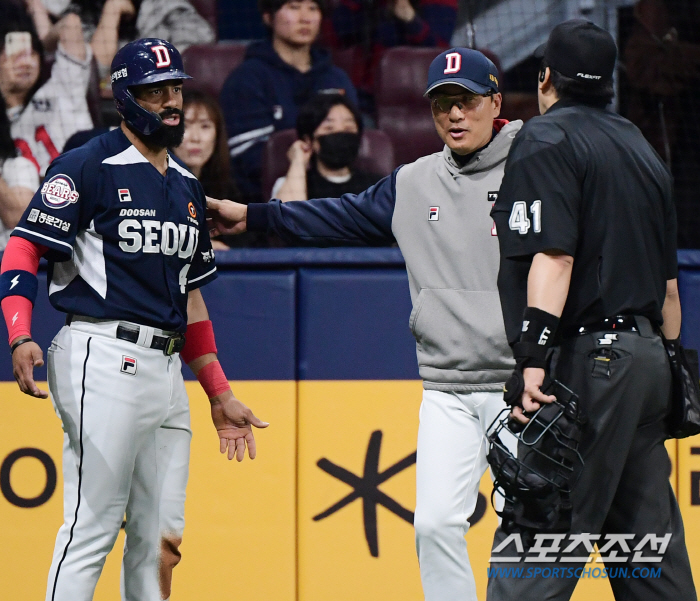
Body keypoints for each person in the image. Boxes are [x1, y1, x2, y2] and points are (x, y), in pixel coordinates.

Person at [208, 47, 521, 601]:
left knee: (530, 532)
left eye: (467, 102)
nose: (454, 115)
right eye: (442, 104)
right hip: (448, 388)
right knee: (434, 526)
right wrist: (254, 214)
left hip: (520, 388)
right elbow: (340, 214)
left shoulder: (535, 167)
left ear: (495, 103)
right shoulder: (414, 181)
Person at [0, 38, 267, 601]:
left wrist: (218, 392)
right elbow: (22, 248)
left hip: (168, 372)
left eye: (176, 89)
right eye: (155, 91)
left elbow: (191, 300)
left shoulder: (190, 187)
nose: (172, 102)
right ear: (125, 97)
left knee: (160, 537)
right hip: (100, 352)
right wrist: (21, 332)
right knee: (91, 526)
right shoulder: (85, 165)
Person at [487, 20, 695, 600]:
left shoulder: (545, 138)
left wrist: (532, 360)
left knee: (537, 545)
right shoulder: (641, 147)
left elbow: (554, 259)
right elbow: (672, 289)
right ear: (609, 82)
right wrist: (668, 370)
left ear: (545, 76)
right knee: (647, 555)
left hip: (588, 367)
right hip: (649, 361)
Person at [220, 0, 358, 203]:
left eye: (313, 8)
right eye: (294, 7)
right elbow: (248, 158)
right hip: (265, 203)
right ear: (268, 17)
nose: (305, 18)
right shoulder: (247, 78)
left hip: (337, 196)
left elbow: (353, 142)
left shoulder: (336, 78)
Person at [1, 10, 93, 176]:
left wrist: (38, 44)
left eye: (32, 53)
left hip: (88, 185)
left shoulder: (60, 89)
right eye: (14, 53)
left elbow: (70, 24)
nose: (26, 62)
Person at [330, 0, 457, 112]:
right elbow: (338, 36)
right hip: (365, 97)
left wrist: (410, 19)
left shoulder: (439, 3)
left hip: (418, 97)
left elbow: (438, 53)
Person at [272, 92, 381, 202]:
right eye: (329, 128)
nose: (340, 133)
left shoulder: (378, 187)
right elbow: (287, 216)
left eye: (348, 128)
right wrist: (298, 162)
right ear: (308, 140)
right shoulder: (290, 183)